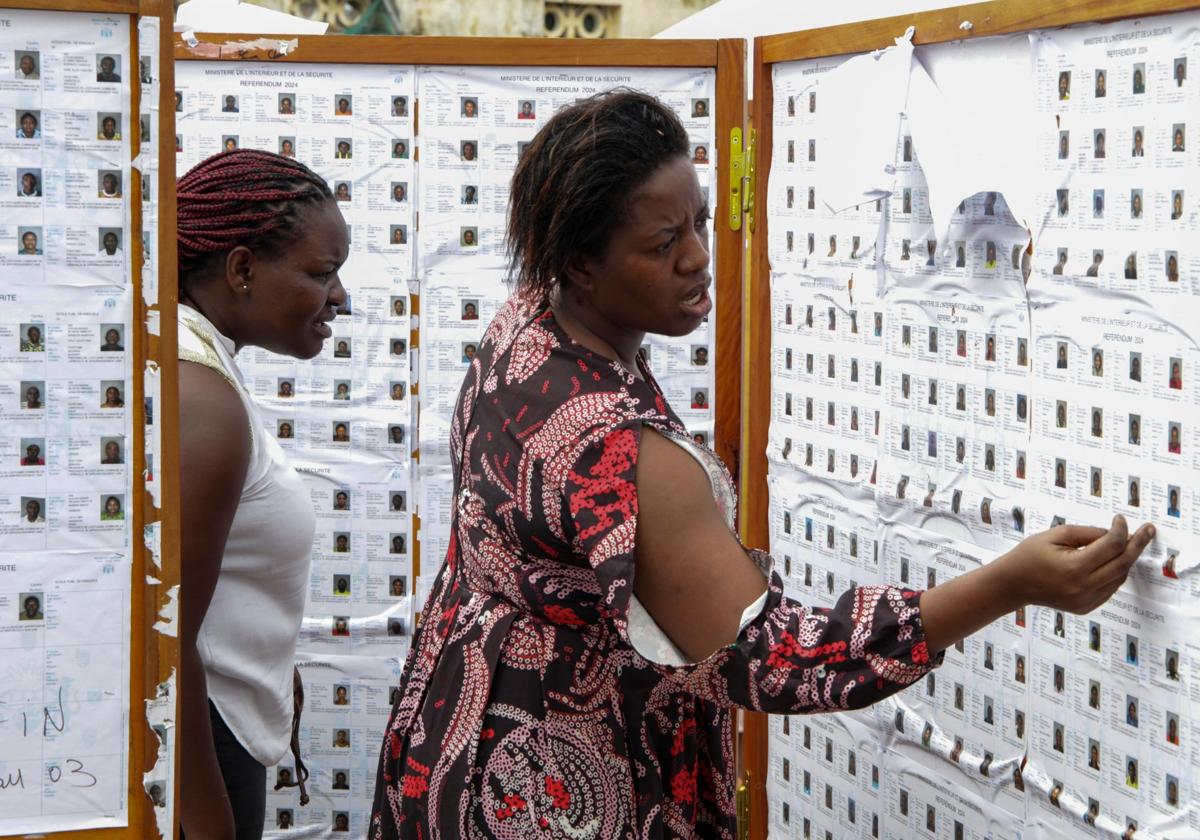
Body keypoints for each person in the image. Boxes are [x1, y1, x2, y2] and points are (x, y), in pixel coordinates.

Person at [367, 90, 1155, 839]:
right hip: (562, 784)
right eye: (662, 243)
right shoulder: (627, 455)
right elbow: (771, 658)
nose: (700, 259)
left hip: (459, 733)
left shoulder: (523, 333)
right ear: (579, 263)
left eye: (700, 223)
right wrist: (1008, 584)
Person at [176, 149, 347, 839]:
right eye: (321, 272)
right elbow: (166, 647)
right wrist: (209, 823)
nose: (341, 296)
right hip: (200, 751)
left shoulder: (202, 366)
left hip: (223, 730)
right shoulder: (201, 398)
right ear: (242, 269)